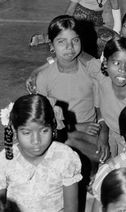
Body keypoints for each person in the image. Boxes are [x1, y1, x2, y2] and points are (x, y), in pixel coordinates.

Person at [34, 15, 109, 163]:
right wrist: (76, 126)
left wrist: (103, 135)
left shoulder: (91, 72)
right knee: (62, 140)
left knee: (102, 155)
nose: (69, 47)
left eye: (75, 40)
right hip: (61, 132)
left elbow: (103, 109)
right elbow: (42, 119)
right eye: (61, 42)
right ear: (51, 45)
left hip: (90, 133)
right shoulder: (44, 77)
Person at [0, 94, 82, 212]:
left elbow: (71, 208)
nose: (36, 141)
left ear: (53, 127)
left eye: (44, 131)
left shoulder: (65, 157)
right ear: (14, 130)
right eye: (27, 133)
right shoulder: (5, 159)